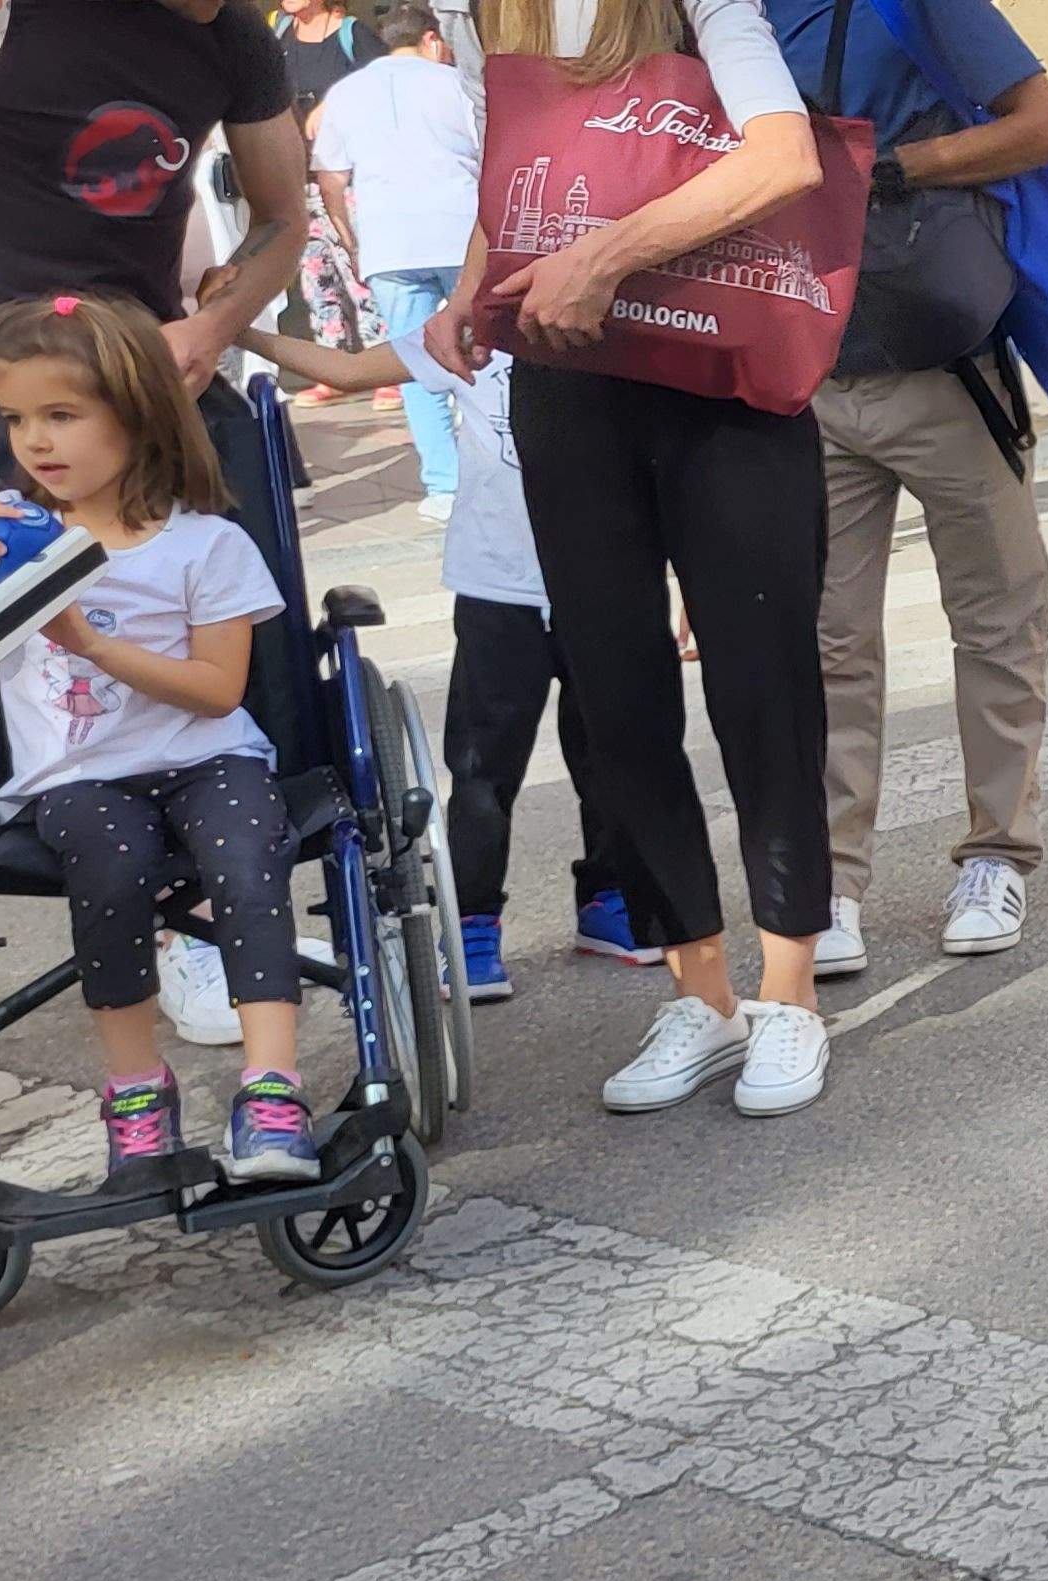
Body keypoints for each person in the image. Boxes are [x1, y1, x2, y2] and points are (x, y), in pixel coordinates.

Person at [429, 0, 838, 1118]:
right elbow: (519, 173)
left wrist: (603, 255)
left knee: (763, 684)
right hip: (569, 375)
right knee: (613, 691)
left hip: (721, 372)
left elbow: (784, 155)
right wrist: (477, 281)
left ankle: (790, 994)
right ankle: (699, 993)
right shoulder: (479, 13)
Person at [762, 0, 1048, 979]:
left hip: (945, 362)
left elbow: (1044, 127)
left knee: (997, 620)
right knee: (825, 643)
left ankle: (995, 854)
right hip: (808, 368)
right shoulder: (727, 20)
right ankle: (834, 885)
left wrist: (896, 168)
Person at [0, 294, 316, 1185]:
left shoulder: (204, 547)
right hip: (79, 774)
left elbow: (217, 694)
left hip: (210, 754)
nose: (34, 442)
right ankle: (135, 1088)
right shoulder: (9, 542)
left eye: (61, 415)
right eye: (16, 419)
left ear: (132, 417)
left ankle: (272, 1085)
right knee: (109, 860)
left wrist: (92, 644)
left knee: (248, 851)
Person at [234, 309, 640, 1004]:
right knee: (482, 770)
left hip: (606, 584)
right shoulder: (473, 328)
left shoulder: (624, 331)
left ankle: (609, 899)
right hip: (496, 588)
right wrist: (236, 328)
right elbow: (349, 369)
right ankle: (474, 922)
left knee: (615, 759)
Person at [0, 0, 312, 558]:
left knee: (229, 566)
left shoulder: (236, 35)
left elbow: (282, 218)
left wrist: (210, 330)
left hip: (136, 367)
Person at [311, 5, 478, 521]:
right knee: (487, 354)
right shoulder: (456, 84)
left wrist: (351, 241)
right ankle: (499, 467)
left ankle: (444, 487)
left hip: (389, 242)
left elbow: (330, 179)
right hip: (461, 234)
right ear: (432, 39)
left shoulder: (346, 93)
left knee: (412, 363)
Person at [277, 0, 386, 389]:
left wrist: (331, 105)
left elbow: (382, 81)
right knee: (316, 278)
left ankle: (382, 367)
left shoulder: (351, 34)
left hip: (347, 178)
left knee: (359, 272)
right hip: (299, 178)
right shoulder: (278, 35)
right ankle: (333, 368)